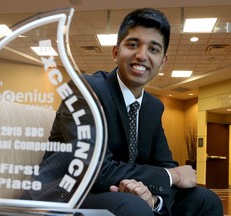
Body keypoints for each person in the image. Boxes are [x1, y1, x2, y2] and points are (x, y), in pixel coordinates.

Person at [23, 8, 223, 216]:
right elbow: (94, 169)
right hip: (65, 193)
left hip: (119, 192)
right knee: (133, 206)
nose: (142, 55)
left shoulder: (153, 107)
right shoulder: (85, 91)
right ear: (116, 51)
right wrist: (172, 176)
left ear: (162, 61)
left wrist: (153, 199)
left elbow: (163, 163)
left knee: (205, 200)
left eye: (154, 49)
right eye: (133, 44)